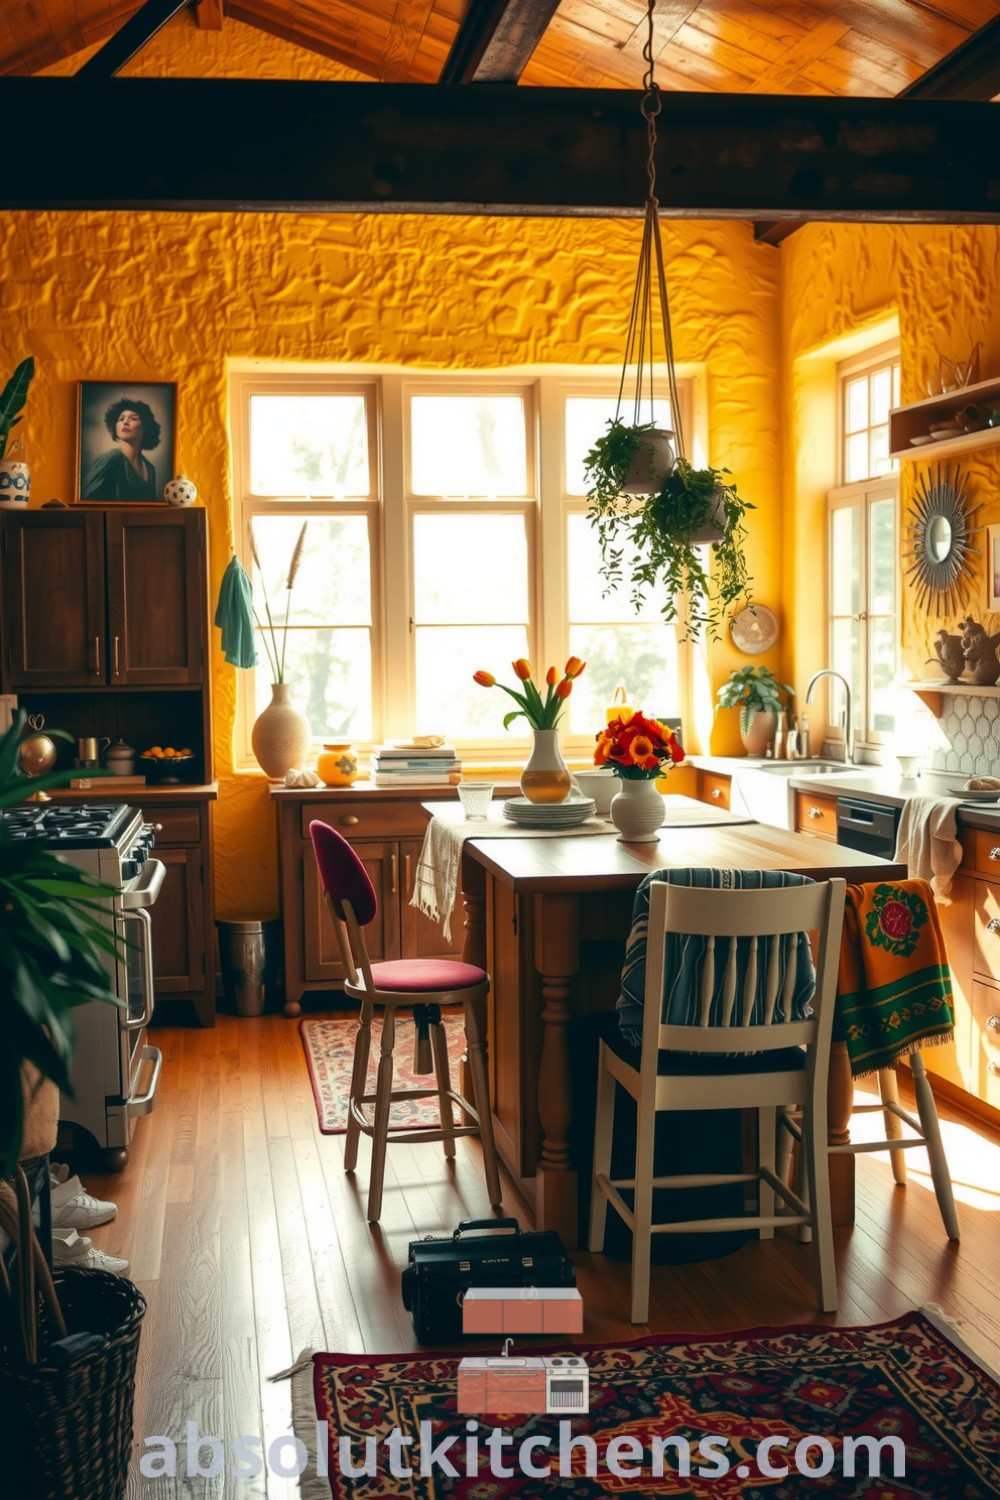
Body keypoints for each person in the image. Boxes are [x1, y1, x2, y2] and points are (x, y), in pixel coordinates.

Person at [82, 396, 161, 501]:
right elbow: (86, 500)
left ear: (145, 428)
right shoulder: (110, 459)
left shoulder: (150, 468)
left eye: (133, 418)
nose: (125, 422)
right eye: (121, 419)